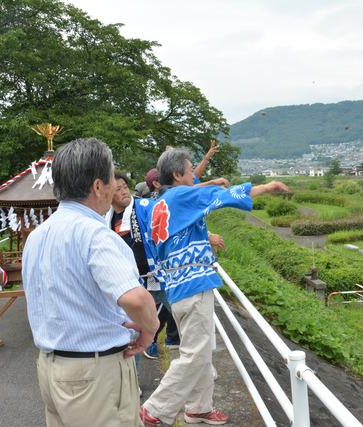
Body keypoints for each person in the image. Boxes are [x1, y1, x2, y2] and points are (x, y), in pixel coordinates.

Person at [137, 148, 290, 427]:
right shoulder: (182, 196)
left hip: (176, 284)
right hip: (192, 283)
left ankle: (199, 408)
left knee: (200, 350)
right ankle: (155, 409)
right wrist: (267, 187)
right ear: (177, 175)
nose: (194, 174)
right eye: (190, 169)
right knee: (196, 354)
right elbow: (220, 197)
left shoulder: (161, 202)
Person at [22, 138, 159, 427]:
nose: (114, 185)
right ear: (98, 186)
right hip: (94, 373)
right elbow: (135, 299)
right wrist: (149, 329)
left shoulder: (37, 236)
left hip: (51, 367)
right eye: (111, 178)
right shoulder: (96, 235)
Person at [106, 172, 179, 360]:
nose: (124, 192)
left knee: (183, 314)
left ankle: (198, 359)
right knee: (135, 330)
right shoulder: (106, 219)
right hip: (132, 284)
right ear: (107, 193)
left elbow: (170, 220)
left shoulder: (144, 206)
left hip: (157, 276)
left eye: (125, 187)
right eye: (117, 189)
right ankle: (135, 381)